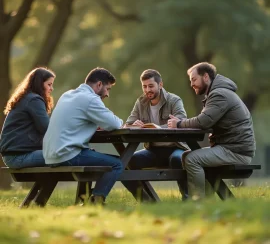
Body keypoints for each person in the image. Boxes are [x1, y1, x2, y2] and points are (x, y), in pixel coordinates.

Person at [168, 62, 256, 199]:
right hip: (231, 148)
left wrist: (179, 124)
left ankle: (198, 201)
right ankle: (206, 200)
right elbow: (204, 120)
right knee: (186, 156)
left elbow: (203, 121)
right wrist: (181, 123)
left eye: (194, 79)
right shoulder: (217, 93)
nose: (191, 84)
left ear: (206, 77)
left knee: (192, 159)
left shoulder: (219, 94)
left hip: (236, 151)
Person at [43, 67, 123, 204]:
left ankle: (88, 200)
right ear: (99, 85)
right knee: (118, 164)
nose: (108, 94)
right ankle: (97, 200)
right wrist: (119, 121)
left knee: (94, 155)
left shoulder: (68, 94)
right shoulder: (91, 99)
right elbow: (115, 124)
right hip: (67, 153)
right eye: (108, 89)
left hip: (50, 153)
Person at [122, 69, 190, 201]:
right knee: (125, 162)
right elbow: (127, 124)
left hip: (175, 148)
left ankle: (187, 198)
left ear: (160, 85)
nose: (147, 90)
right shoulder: (140, 102)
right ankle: (147, 200)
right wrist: (133, 126)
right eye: (144, 86)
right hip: (153, 150)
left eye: (151, 86)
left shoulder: (174, 100)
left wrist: (159, 128)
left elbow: (182, 121)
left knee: (177, 159)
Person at [0, 67, 55, 169]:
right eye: (49, 84)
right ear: (39, 84)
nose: (51, 89)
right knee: (64, 155)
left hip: (13, 156)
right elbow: (47, 128)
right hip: (19, 156)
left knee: (62, 154)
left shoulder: (26, 98)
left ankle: (44, 184)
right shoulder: (34, 100)